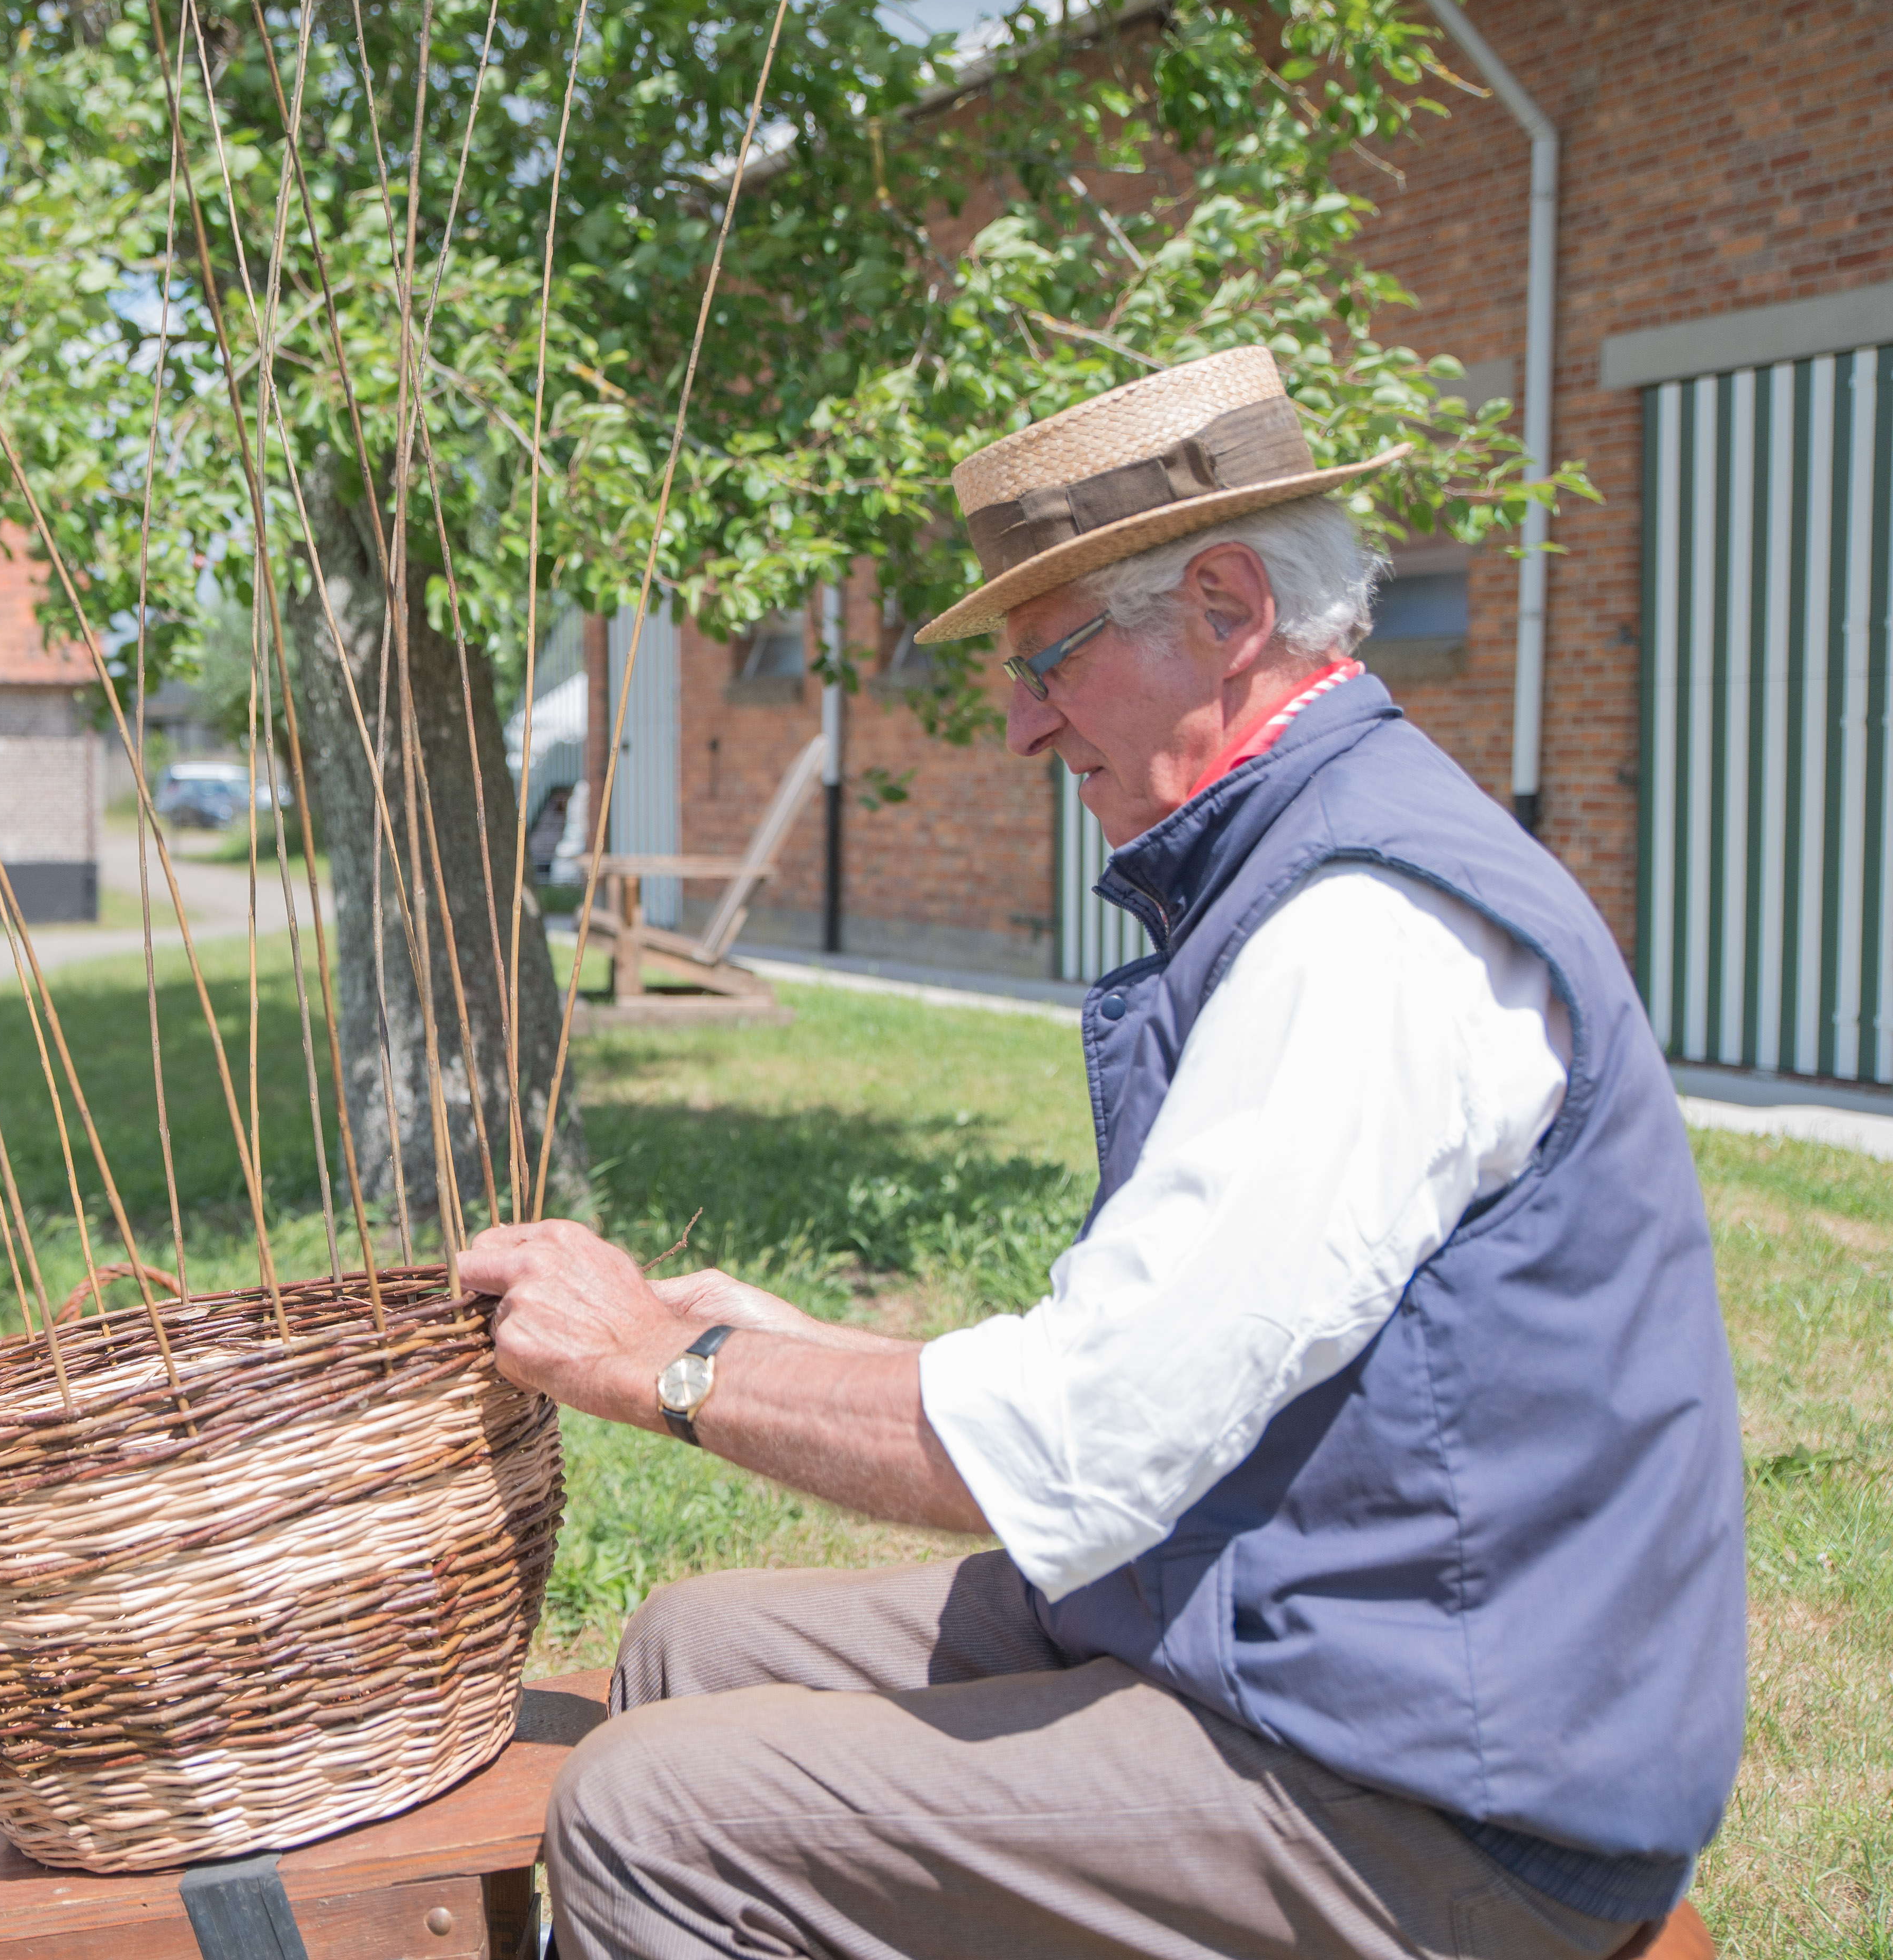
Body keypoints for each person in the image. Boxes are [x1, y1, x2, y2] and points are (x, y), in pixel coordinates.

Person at [460, 345, 1745, 1960]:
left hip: (1441, 1790)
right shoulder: (1297, 866)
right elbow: (1168, 1358)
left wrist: (672, 1364)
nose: (1013, 721)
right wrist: (787, 1347)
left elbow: (1080, 1447)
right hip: (1310, 1636)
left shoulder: (1365, 929)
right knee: (688, 1642)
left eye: (1044, 656)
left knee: (653, 1810)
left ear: (1223, 610)